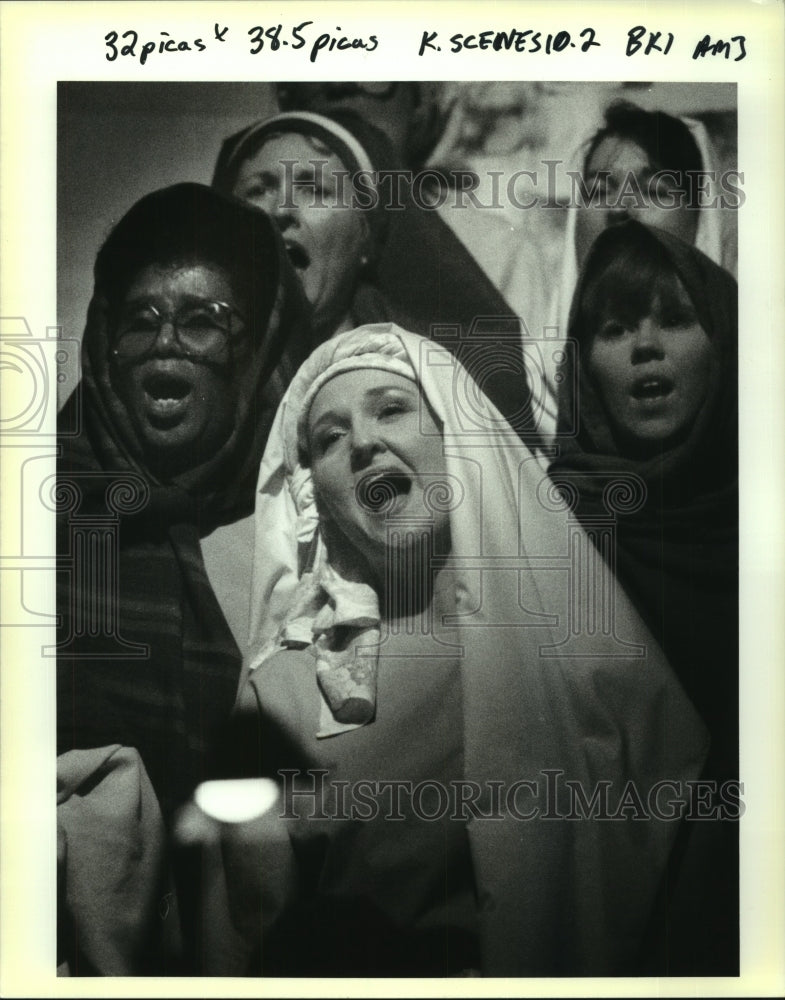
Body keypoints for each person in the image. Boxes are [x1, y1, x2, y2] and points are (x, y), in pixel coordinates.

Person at [201, 324, 709, 977]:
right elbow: (244, 942)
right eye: (328, 438)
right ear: (313, 496)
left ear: (457, 437)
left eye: (391, 408)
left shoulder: (581, 642)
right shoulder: (286, 694)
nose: (361, 442)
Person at [55, 182, 312, 973]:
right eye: (140, 319)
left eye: (203, 320)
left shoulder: (309, 541)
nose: (166, 342)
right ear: (103, 347)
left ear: (264, 354)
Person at [549, 219, 739, 973]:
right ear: (583, 364)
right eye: (615, 327)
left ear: (724, 340)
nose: (644, 346)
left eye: (675, 319)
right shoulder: (551, 530)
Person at [213, 109, 538, 441]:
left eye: (315, 190)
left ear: (365, 236)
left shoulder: (428, 389)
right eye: (256, 191)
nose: (281, 210)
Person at [537, 100, 736, 449]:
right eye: (599, 191)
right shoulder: (525, 397)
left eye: (654, 190)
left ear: (702, 217)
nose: (620, 208)